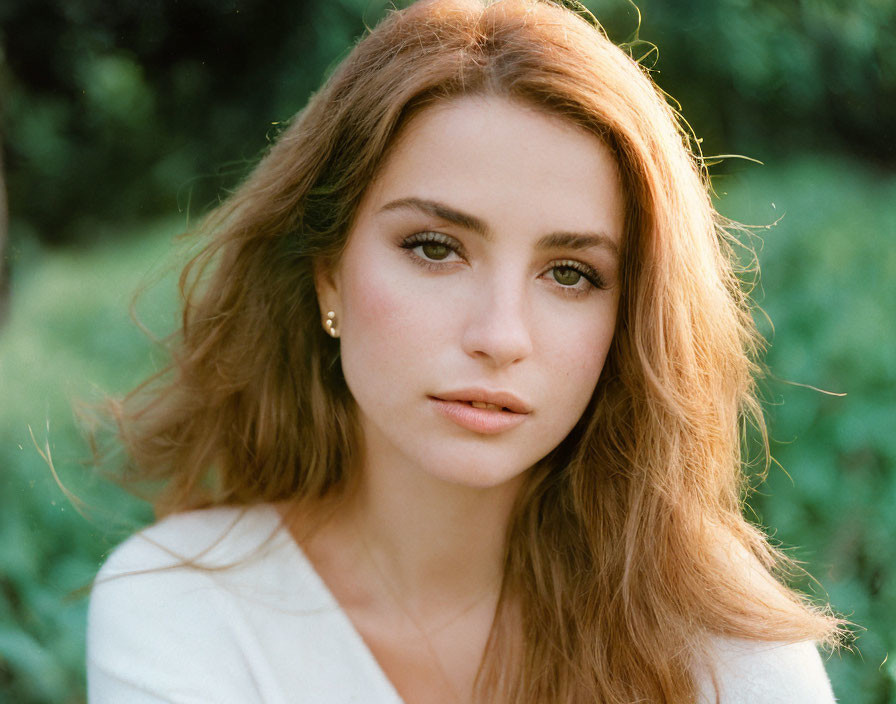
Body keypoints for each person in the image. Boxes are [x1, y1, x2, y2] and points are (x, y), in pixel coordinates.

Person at [86, 1, 844, 702]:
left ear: (631, 319)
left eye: (571, 274)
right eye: (435, 248)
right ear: (329, 276)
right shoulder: (182, 603)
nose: (499, 336)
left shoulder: (722, 643)